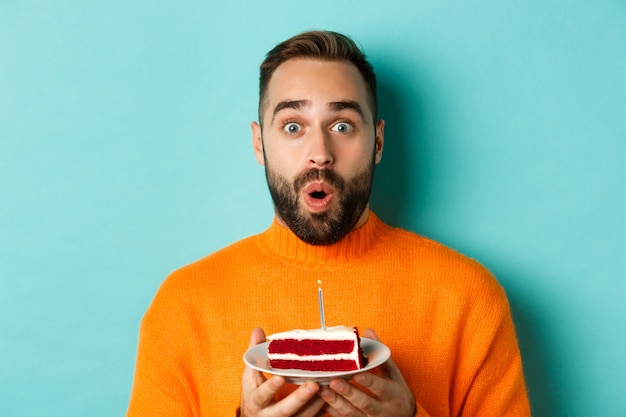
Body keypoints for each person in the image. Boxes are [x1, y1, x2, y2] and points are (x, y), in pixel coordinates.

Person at [126, 30, 530, 417]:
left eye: (342, 126)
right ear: (258, 143)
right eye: (292, 126)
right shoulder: (182, 306)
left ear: (378, 143)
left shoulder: (468, 298)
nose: (320, 153)